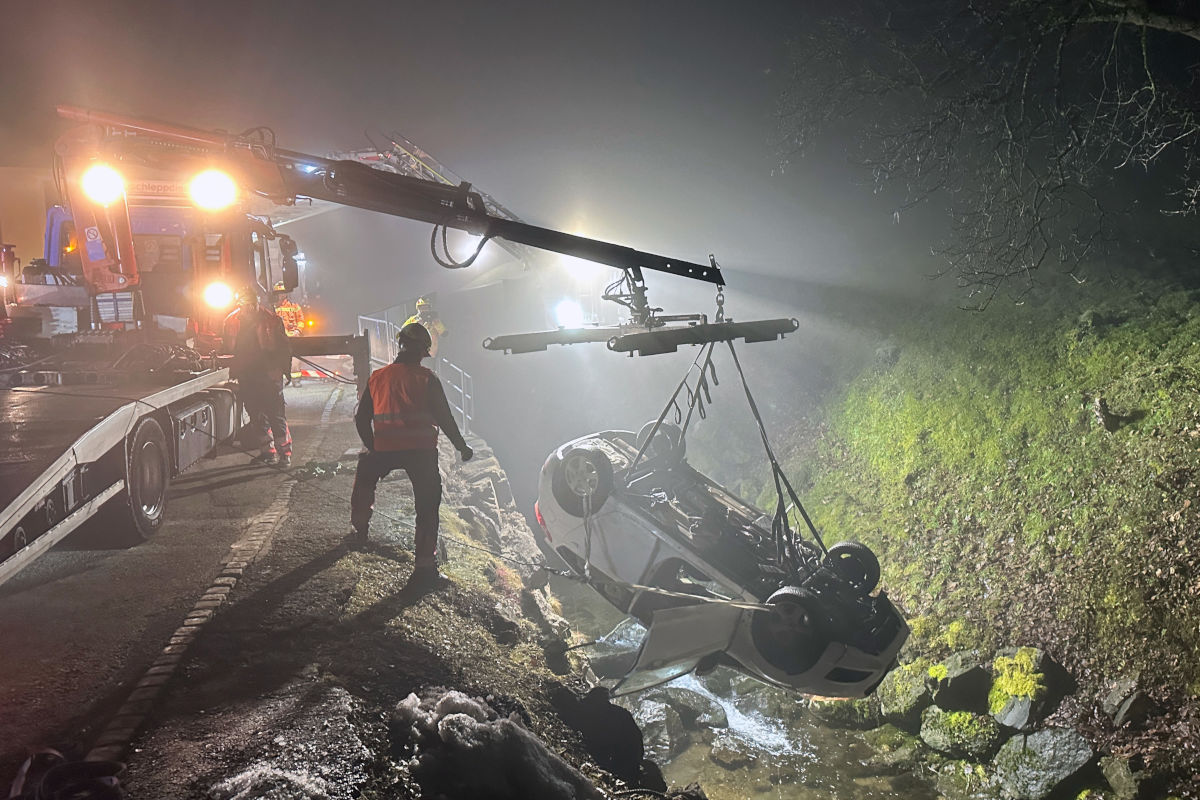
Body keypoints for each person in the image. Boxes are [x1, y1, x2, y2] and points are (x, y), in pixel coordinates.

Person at [349, 321, 473, 587]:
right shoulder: (428, 380)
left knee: (364, 479)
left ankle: (359, 531)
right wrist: (462, 447)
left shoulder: (377, 378)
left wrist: (372, 446)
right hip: (421, 453)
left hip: (383, 449)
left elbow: (361, 419)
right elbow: (446, 419)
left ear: (400, 346)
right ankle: (425, 568)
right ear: (422, 352)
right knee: (427, 507)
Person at [223, 285, 293, 467]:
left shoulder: (271, 320)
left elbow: (284, 348)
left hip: (268, 375)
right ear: (240, 305)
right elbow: (228, 347)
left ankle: (284, 455)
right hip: (248, 376)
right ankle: (267, 452)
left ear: (256, 303)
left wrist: (282, 371)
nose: (250, 308)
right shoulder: (232, 321)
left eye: (252, 304)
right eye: (246, 305)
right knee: (256, 415)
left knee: (276, 416)